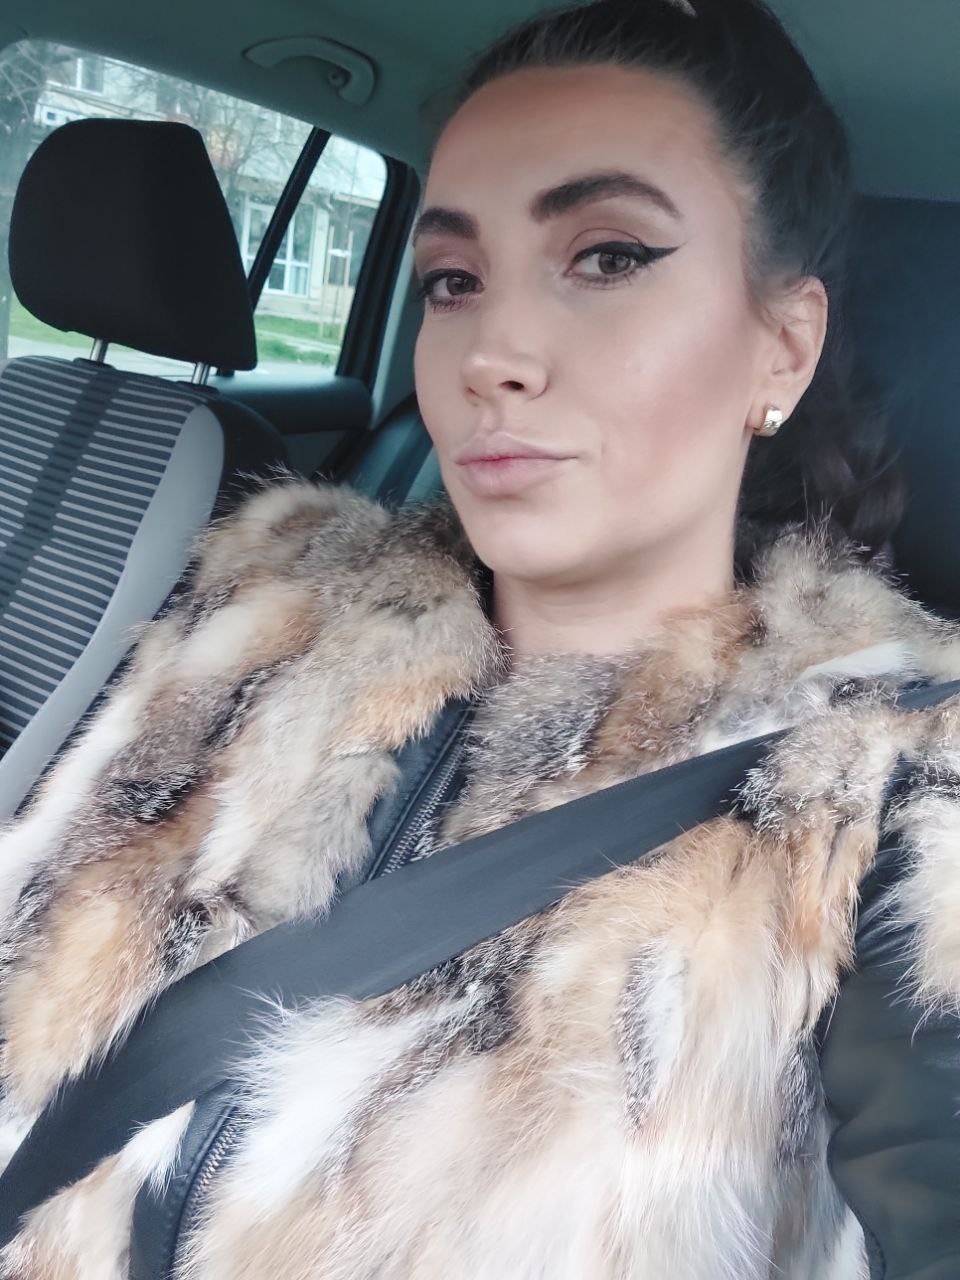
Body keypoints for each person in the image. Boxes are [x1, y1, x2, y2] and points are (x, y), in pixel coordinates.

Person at [1, 0, 958, 1276]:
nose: (490, 352)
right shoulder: (250, 605)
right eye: (453, 280)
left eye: (608, 256)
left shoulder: (893, 783)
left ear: (781, 347)